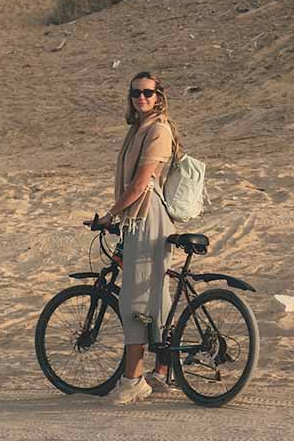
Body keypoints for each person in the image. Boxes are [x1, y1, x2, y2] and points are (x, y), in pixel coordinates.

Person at [96, 71, 179, 405]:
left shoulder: (159, 130)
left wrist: (110, 215)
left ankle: (132, 381)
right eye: (135, 93)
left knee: (135, 301)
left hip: (147, 219)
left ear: (158, 95)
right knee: (154, 296)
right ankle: (161, 372)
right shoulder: (137, 129)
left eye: (147, 92)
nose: (140, 98)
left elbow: (141, 183)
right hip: (138, 219)